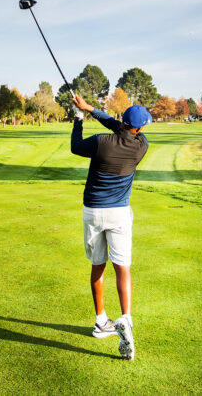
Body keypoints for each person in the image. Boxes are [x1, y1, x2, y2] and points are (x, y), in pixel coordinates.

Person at [70, 91, 151, 361]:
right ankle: (125, 319)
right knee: (122, 267)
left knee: (97, 266)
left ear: (123, 122)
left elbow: (75, 146)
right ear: (138, 128)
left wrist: (80, 116)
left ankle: (101, 321)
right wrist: (92, 109)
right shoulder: (141, 146)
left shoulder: (100, 142)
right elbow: (121, 128)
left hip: (93, 211)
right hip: (119, 213)